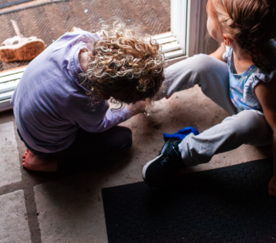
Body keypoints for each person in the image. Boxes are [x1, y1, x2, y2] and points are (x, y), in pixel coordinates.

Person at [142, 0, 276, 214]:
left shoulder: (265, 81)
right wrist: (181, 80)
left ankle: (181, 154)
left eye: (209, 15)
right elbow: (212, 62)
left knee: (246, 120)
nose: (206, 18)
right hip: (239, 98)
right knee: (201, 61)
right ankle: (143, 91)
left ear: (227, 36)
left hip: (260, 126)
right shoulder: (239, 43)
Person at [12, 23, 165, 173]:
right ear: (105, 94)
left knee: (66, 115)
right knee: (123, 140)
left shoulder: (78, 39)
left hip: (22, 111)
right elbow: (98, 125)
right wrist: (130, 110)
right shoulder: (82, 100)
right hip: (44, 144)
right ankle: (47, 163)